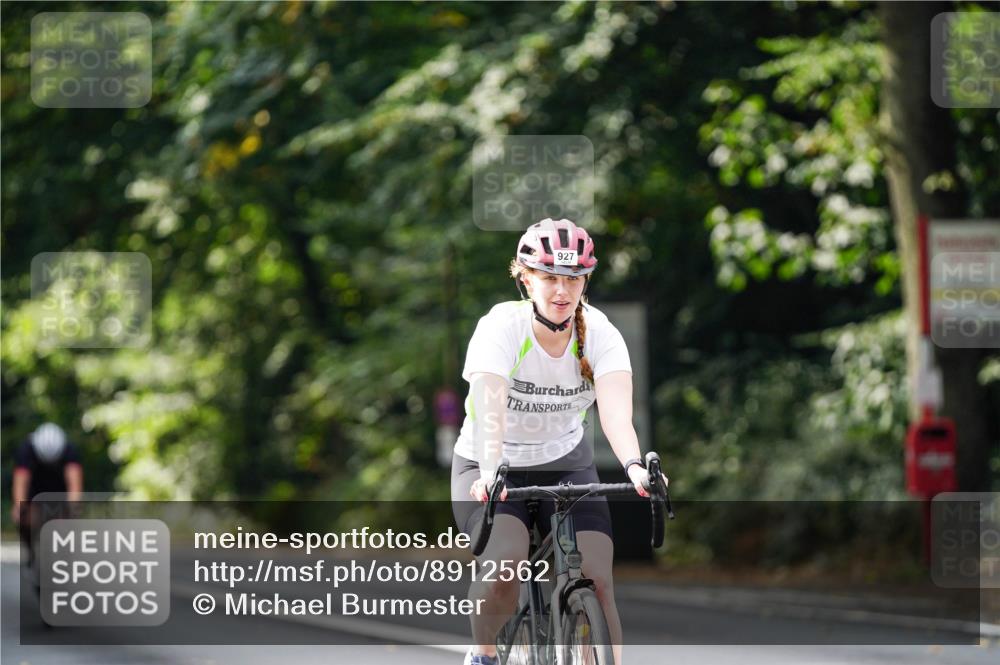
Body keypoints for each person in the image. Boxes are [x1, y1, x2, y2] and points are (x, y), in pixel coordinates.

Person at [451, 218, 663, 665]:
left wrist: (634, 466)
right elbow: (489, 410)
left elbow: (616, 413)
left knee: (598, 580)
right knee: (505, 564)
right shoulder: (501, 328)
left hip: (566, 464)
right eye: (549, 278)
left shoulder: (600, 335)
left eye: (573, 278)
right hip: (488, 464)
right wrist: (490, 472)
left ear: (586, 280)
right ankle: (484, 653)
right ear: (525, 279)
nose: (562, 291)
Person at [11, 422, 83, 571]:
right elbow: (20, 482)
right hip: (34, 493)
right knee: (21, 516)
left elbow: (74, 486)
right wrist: (20, 507)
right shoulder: (26, 450)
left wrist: (73, 509)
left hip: (60, 493)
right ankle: (30, 551)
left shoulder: (69, 450)